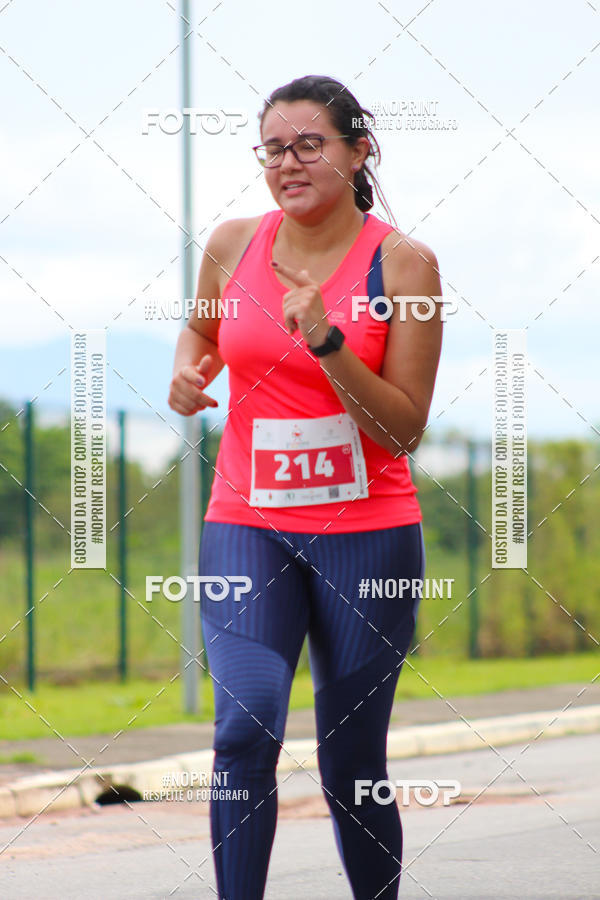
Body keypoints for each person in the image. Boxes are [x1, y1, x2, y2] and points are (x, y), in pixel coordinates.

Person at [168, 74, 443, 900]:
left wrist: (329, 341)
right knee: (242, 731)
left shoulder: (404, 263)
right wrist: (187, 372)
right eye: (274, 149)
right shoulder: (230, 243)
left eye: (309, 144)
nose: (288, 162)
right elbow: (199, 329)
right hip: (247, 522)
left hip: (368, 535)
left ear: (361, 151)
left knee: (351, 758)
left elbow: (402, 427)